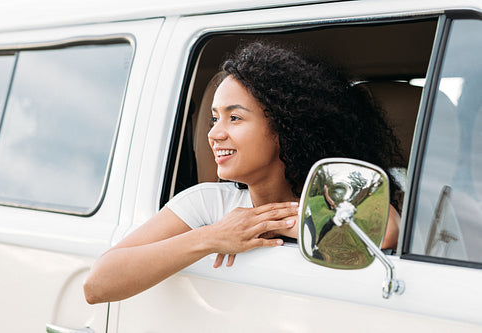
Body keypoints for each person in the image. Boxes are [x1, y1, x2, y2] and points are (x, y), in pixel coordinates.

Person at [83, 41, 403, 304]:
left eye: (234, 118)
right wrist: (213, 237)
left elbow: (385, 231)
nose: (214, 134)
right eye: (214, 119)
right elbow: (98, 284)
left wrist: (276, 224)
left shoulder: (333, 197)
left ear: (285, 127)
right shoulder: (209, 204)